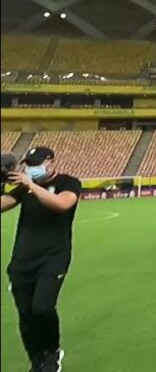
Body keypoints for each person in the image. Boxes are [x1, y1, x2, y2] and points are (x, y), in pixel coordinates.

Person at [1, 146, 81, 372]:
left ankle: (53, 351)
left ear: (51, 161)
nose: (32, 168)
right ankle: (37, 360)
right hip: (22, 260)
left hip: (53, 258)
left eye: (37, 163)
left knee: (42, 308)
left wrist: (31, 185)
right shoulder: (23, 189)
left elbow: (62, 205)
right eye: (29, 164)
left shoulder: (69, 182)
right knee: (26, 315)